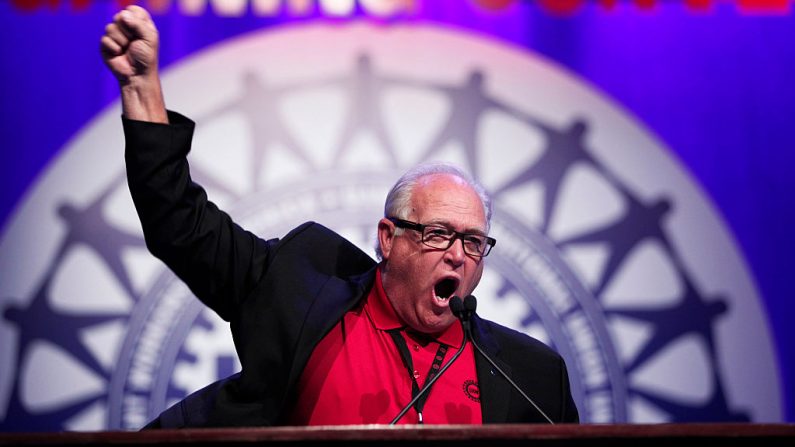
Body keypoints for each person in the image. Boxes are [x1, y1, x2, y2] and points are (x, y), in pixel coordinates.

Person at [101, 6, 579, 427]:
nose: (458, 255)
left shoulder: (533, 377)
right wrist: (142, 90)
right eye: (438, 234)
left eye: (474, 242)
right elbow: (180, 227)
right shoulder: (295, 290)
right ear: (388, 238)